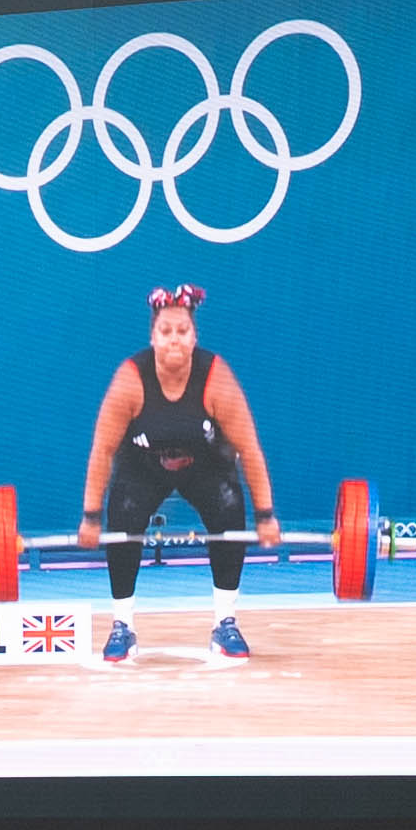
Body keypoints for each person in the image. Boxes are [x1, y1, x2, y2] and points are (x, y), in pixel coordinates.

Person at [75, 283, 277, 665]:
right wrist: (90, 517)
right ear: (152, 337)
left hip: (206, 466)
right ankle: (121, 626)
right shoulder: (130, 379)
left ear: (194, 336)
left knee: (229, 511)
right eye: (165, 332)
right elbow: (102, 451)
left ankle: (226, 622)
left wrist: (265, 515)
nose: (174, 340)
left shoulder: (215, 376)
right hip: (142, 466)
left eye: (182, 332)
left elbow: (249, 448)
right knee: (124, 517)